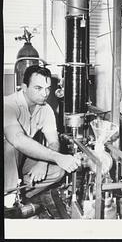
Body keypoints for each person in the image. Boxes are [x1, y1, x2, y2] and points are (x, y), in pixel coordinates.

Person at [4, 65, 81, 200]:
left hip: (21, 158)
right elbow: (17, 139)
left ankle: (19, 195)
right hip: (7, 158)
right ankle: (8, 200)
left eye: (47, 89)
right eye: (38, 88)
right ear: (24, 87)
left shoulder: (46, 109)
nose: (45, 94)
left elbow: (54, 142)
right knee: (10, 147)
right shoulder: (9, 105)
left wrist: (42, 163)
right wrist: (57, 157)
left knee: (58, 172)